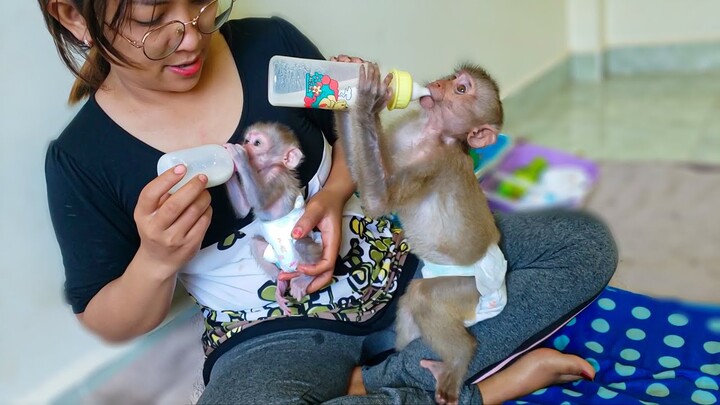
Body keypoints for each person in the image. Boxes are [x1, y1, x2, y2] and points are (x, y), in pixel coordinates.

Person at [38, 0, 618, 403]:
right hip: (276, 336)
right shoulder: (84, 158)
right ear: (75, 17)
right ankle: (486, 388)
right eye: (151, 17)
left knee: (582, 244)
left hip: (405, 271)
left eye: (202, 3)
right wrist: (157, 259)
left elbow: (347, 142)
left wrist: (337, 194)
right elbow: (106, 316)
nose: (192, 33)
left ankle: (378, 385)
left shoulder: (271, 47)